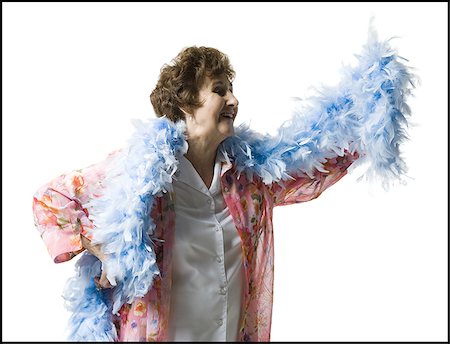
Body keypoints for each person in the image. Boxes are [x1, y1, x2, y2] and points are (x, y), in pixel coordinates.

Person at [32, 28, 416, 342]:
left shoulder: (247, 180)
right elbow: (51, 200)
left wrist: (372, 119)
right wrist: (99, 247)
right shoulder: (139, 176)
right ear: (185, 103)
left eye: (231, 88)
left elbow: (313, 166)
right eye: (219, 89)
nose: (233, 98)